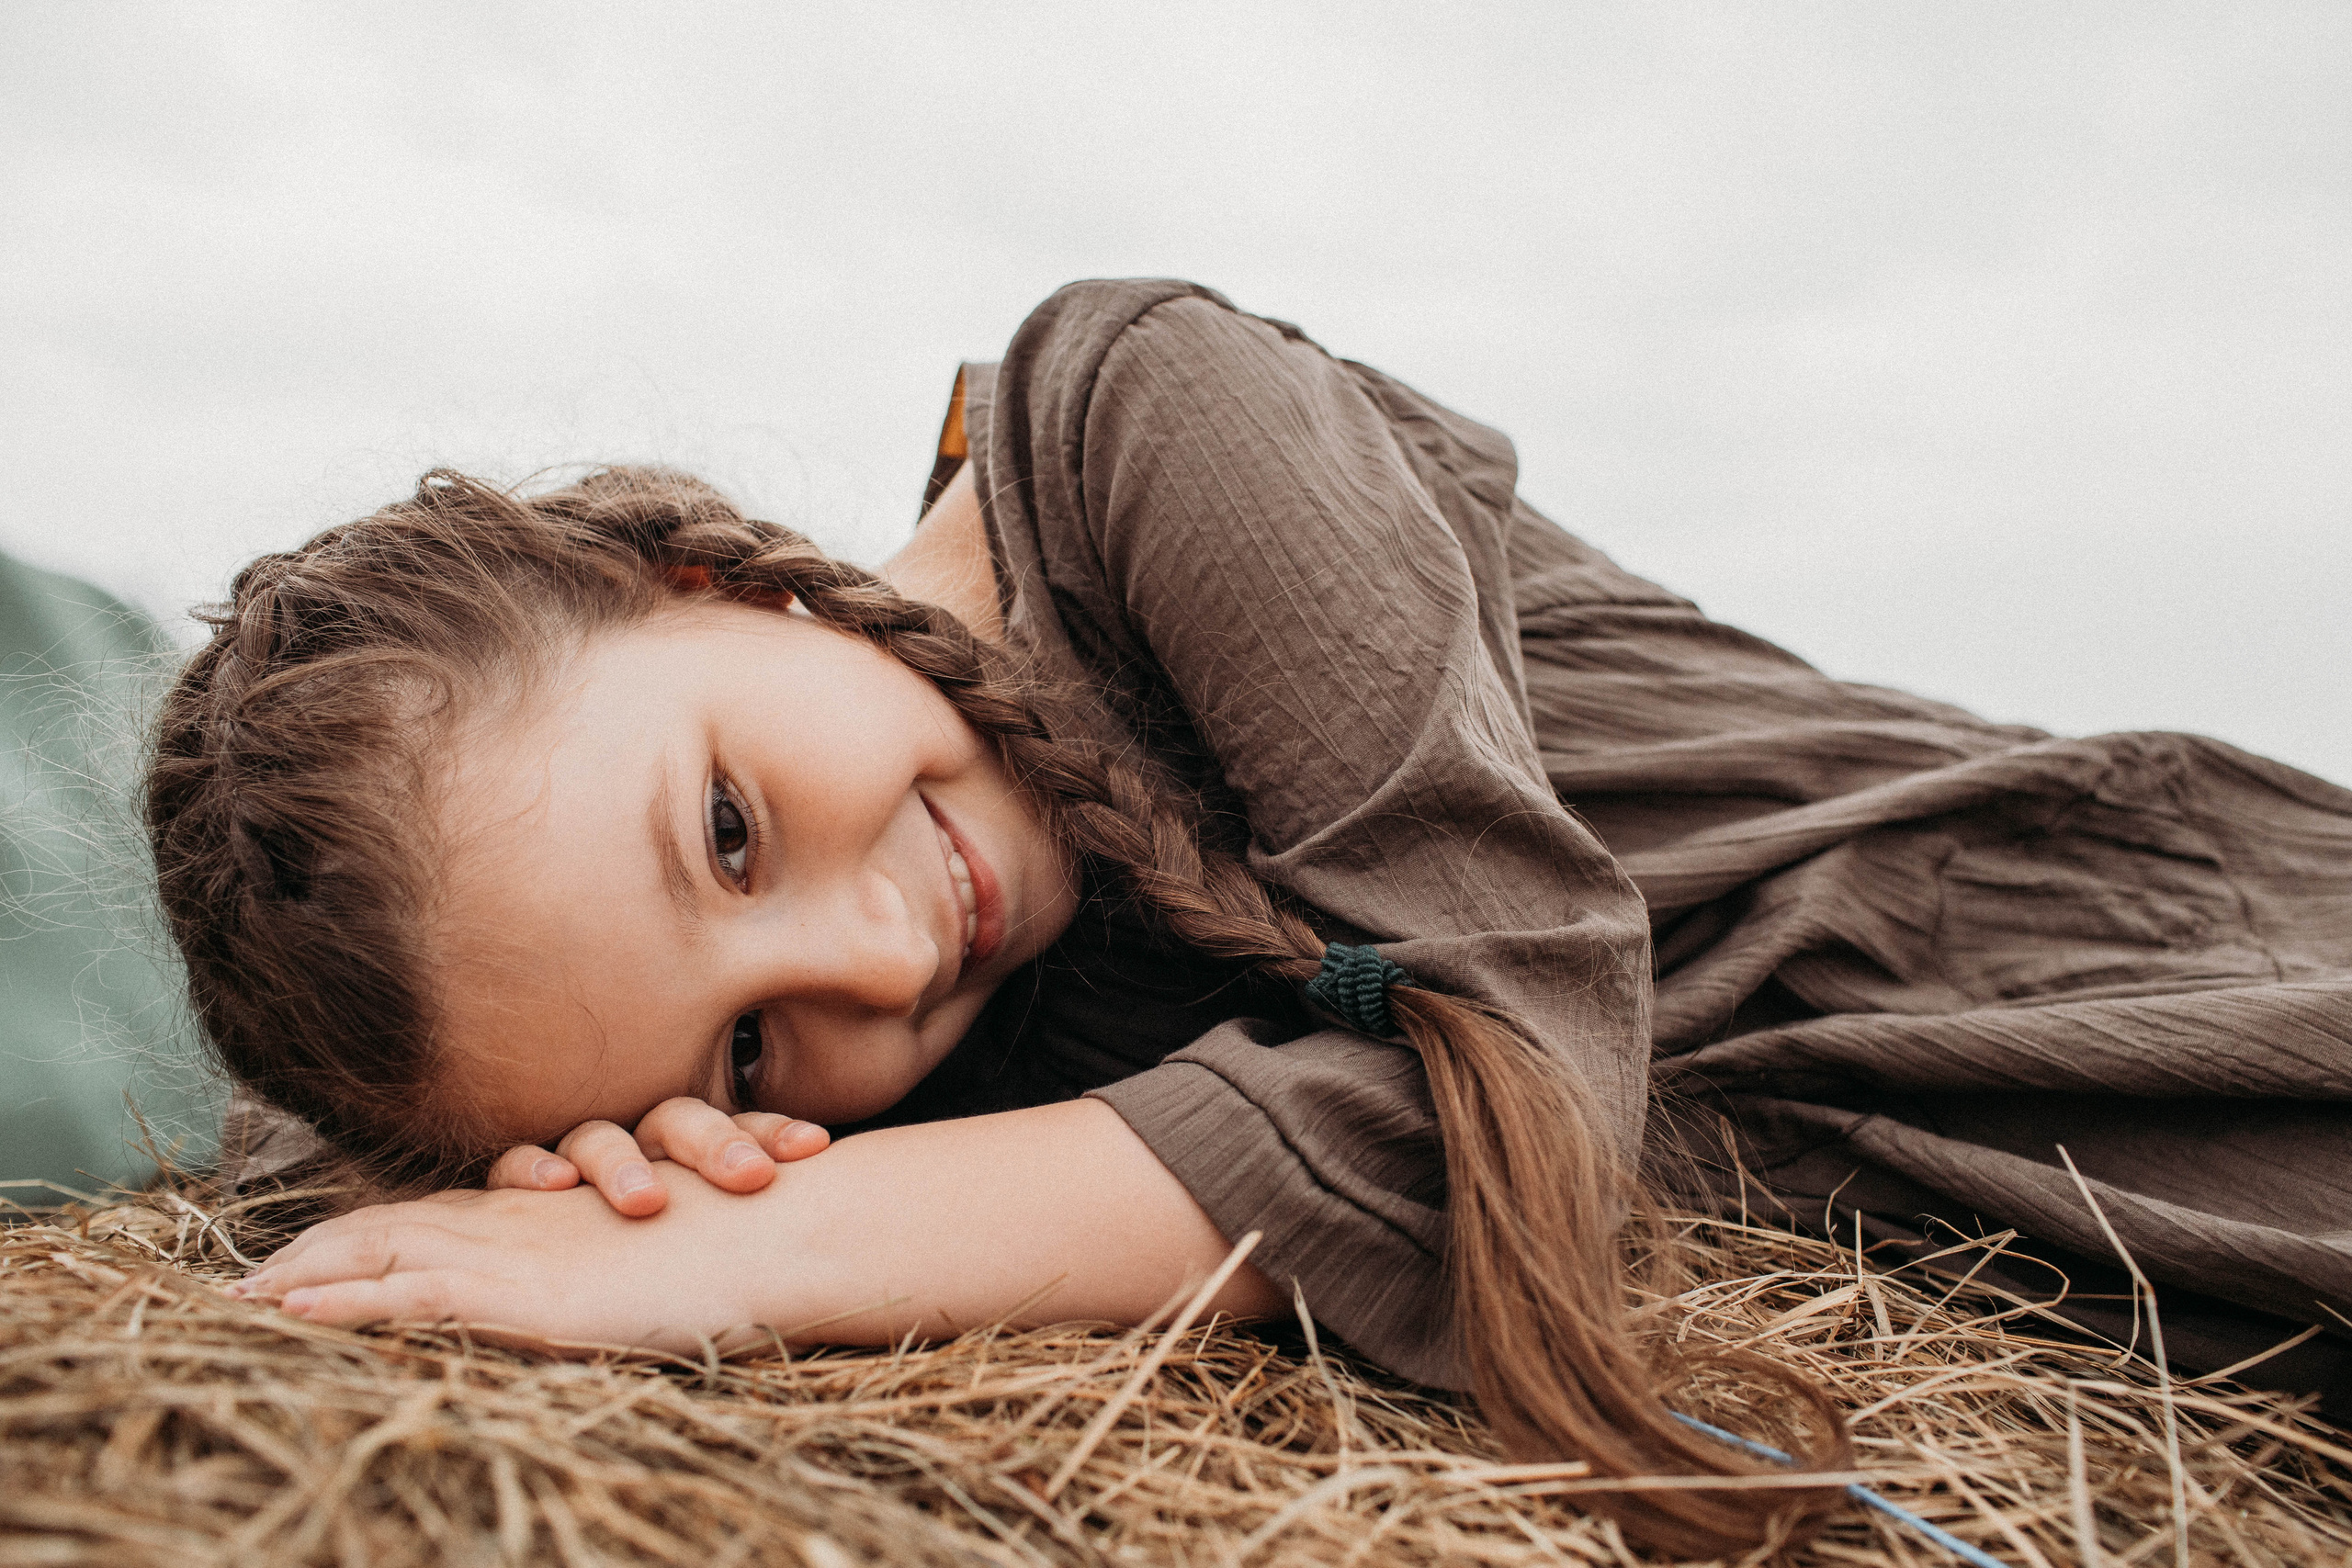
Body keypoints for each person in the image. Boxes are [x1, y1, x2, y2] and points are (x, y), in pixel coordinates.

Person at [147, 281, 2350, 1551]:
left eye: (725, 831)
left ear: (685, 573)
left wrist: (743, 1236)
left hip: (2163, 984)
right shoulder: (924, 1009)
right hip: (2066, 1263)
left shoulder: (1138, 423)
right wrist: (558, 1185)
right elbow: (310, 1193)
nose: (872, 963)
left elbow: (1515, 1069)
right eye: (740, 1057)